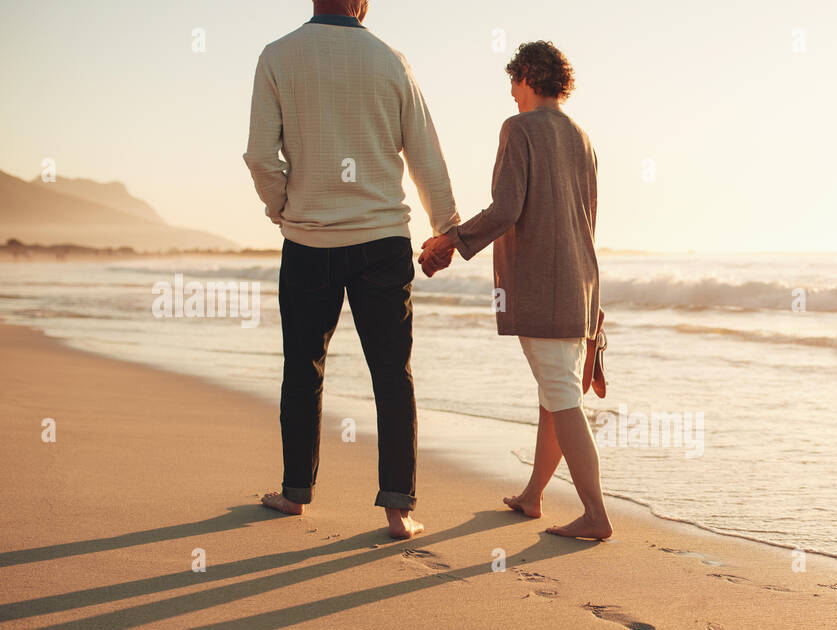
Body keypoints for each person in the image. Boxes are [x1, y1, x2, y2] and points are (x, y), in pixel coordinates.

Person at [242, 0, 459, 539]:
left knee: (303, 365)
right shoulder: (390, 59)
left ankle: (295, 493)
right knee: (391, 370)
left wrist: (283, 209)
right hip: (382, 240)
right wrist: (445, 228)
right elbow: (424, 152)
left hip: (309, 240)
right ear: (362, 2)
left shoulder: (277, 56)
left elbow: (260, 157)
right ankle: (398, 509)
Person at [420, 41, 612, 540]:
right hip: (582, 286)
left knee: (562, 397)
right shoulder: (583, 137)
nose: (511, 93)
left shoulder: (520, 129)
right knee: (555, 394)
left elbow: (506, 208)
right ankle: (532, 496)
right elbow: (588, 221)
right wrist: (597, 307)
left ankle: (595, 513)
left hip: (544, 284)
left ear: (528, 75)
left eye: (513, 80)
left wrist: (449, 241)